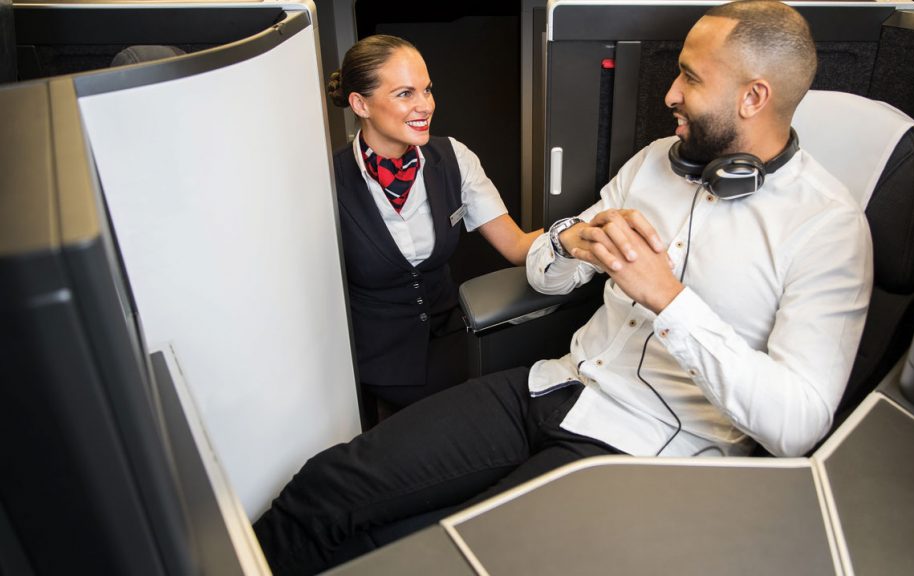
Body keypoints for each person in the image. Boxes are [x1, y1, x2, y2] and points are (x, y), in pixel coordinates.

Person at [254, 2, 872, 573]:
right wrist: (570, 242)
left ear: (753, 96)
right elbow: (545, 272)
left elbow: (797, 425)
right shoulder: (658, 160)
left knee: (408, 552)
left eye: (691, 79)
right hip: (554, 384)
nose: (670, 94)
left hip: (640, 449)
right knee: (328, 488)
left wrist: (670, 300)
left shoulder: (827, 229)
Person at [327, 35, 542, 414]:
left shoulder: (453, 157)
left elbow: (517, 246)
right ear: (360, 103)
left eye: (427, 90)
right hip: (380, 359)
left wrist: (583, 230)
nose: (425, 106)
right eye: (405, 94)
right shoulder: (327, 180)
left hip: (455, 338)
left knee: (520, 396)